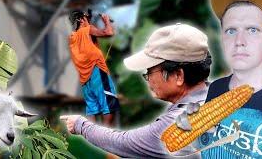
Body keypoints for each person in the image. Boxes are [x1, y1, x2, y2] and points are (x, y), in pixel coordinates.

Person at [61, 23, 212, 158]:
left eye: (150, 71)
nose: (148, 78)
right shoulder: (214, 96)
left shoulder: (180, 123)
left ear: (178, 75)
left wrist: (80, 125)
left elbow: (123, 142)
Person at [177, 0, 262, 158]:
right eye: (231, 31)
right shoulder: (216, 88)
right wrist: (190, 138)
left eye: (252, 30)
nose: (239, 41)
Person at [68, 9, 120, 126]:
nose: (89, 21)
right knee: (108, 104)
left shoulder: (72, 38)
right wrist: (106, 21)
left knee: (92, 108)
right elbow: (108, 33)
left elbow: (87, 43)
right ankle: (106, 136)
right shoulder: (88, 30)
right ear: (80, 19)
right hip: (97, 72)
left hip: (85, 79)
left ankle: (91, 136)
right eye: (87, 18)